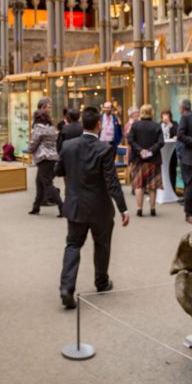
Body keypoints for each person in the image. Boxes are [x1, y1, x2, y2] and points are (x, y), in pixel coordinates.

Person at [55, 106, 130, 308]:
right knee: (102, 244)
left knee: (72, 245)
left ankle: (66, 287)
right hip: (100, 207)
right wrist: (123, 208)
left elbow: (58, 169)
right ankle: (102, 282)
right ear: (99, 125)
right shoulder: (105, 149)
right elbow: (112, 182)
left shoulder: (68, 146)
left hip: (76, 205)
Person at [127, 105, 164, 217]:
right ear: (152, 112)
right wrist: (149, 151)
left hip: (138, 160)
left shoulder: (135, 125)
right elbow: (161, 142)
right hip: (153, 159)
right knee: (152, 186)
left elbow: (130, 140)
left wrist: (140, 151)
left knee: (139, 185)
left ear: (141, 113)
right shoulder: (156, 126)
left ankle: (139, 209)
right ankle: (152, 209)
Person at [27, 108, 63, 216]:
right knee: (39, 183)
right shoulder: (52, 128)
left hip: (44, 159)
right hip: (53, 158)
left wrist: (29, 149)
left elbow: (33, 144)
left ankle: (62, 206)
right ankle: (36, 207)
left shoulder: (38, 129)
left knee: (47, 184)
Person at [177, 98, 192, 224]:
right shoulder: (187, 117)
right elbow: (180, 135)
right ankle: (188, 213)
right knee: (190, 186)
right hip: (190, 157)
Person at [160, 109, 179, 195]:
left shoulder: (174, 124)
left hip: (171, 152)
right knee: (161, 171)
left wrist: (169, 124)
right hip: (161, 151)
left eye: (167, 115)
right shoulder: (159, 125)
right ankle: (162, 191)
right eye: (164, 115)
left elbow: (177, 133)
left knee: (172, 170)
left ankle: (172, 190)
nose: (165, 117)